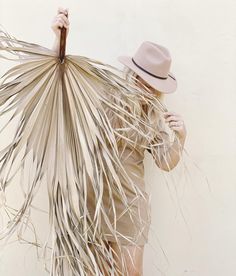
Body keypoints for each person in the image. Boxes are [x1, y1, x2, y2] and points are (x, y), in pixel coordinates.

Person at [51, 7, 187, 276]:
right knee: (95, 272)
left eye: (153, 84)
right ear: (134, 73)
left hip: (132, 206)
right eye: (144, 79)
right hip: (96, 198)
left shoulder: (153, 115)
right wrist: (58, 39)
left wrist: (180, 138)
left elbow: (165, 162)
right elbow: (61, 84)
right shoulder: (105, 94)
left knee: (131, 273)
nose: (147, 87)